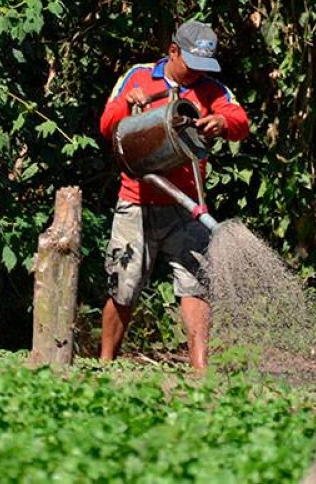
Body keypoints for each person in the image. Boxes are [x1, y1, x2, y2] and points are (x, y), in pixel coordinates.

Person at [98, 20, 250, 370]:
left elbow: (240, 121)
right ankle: (103, 367)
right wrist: (129, 105)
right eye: (191, 65)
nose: (197, 73)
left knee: (196, 287)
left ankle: (200, 372)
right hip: (136, 200)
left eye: (204, 68)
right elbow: (107, 126)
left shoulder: (210, 89)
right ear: (173, 52)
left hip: (188, 206)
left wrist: (222, 124)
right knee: (124, 287)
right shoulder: (138, 76)